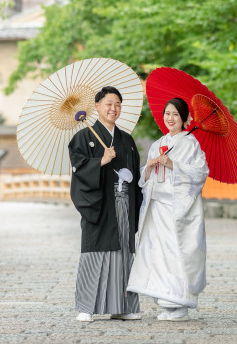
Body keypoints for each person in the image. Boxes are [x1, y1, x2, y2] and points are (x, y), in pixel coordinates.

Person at [126, 97, 209, 322]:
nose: (170, 118)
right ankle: (164, 302)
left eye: (175, 114)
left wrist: (174, 164)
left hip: (178, 210)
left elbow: (200, 173)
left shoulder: (190, 144)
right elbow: (146, 179)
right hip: (157, 208)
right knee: (157, 255)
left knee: (176, 254)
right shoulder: (158, 143)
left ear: (183, 118)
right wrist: (149, 168)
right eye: (167, 113)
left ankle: (178, 304)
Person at [68, 85, 143, 322]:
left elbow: (135, 176)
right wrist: (100, 161)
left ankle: (122, 306)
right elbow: (78, 169)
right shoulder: (83, 137)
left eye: (118, 104)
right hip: (99, 204)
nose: (114, 108)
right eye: (109, 103)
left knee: (123, 254)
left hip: (123, 204)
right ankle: (85, 307)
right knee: (95, 254)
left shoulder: (127, 140)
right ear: (97, 106)